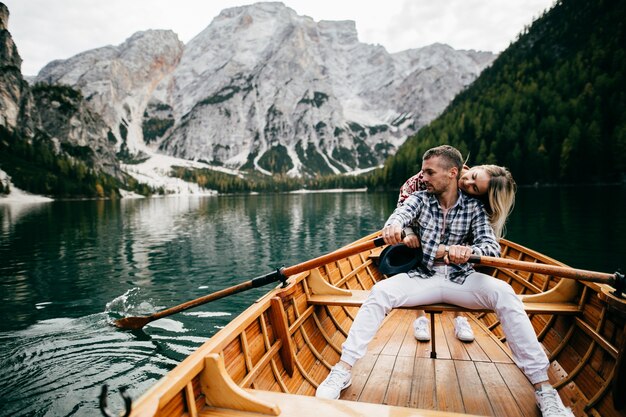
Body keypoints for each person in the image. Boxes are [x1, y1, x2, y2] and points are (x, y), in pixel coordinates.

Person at [315, 145, 573, 417]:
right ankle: (342, 370)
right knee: (379, 292)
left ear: (452, 173)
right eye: (423, 171)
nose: (423, 177)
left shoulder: (474, 207)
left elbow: (491, 247)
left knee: (505, 293)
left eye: (429, 172)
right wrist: (395, 227)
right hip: (423, 276)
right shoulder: (420, 198)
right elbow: (400, 215)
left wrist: (469, 251)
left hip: (461, 280)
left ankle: (544, 388)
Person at [398, 164, 517, 342]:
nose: (467, 181)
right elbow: (402, 205)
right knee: (419, 259)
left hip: (456, 239)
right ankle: (420, 318)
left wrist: (460, 250)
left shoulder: (475, 204)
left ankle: (460, 318)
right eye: (473, 175)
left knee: (460, 259)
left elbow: (487, 244)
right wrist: (408, 233)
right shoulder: (438, 173)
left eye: (474, 188)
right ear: (477, 167)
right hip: (419, 235)